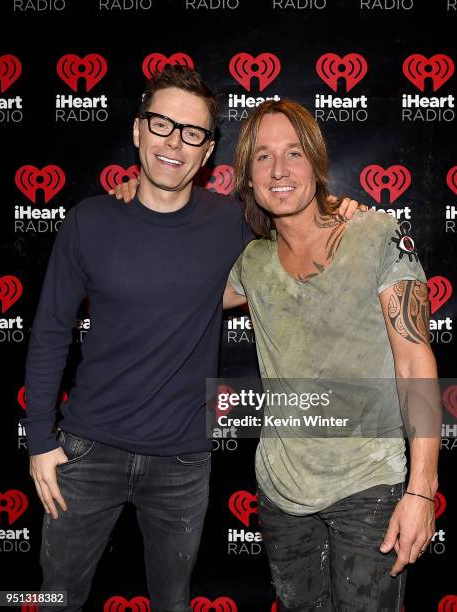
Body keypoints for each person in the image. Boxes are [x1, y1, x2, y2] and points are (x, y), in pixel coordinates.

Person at [23, 66, 362, 612]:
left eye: (193, 133)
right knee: (55, 598)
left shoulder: (232, 224)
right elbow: (49, 334)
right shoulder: (89, 221)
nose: (174, 143)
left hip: (182, 463)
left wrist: (339, 213)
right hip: (87, 453)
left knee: (174, 603)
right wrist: (41, 442)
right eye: (161, 124)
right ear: (137, 131)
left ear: (207, 154)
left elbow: (301, 236)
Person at [223, 99, 440, 611]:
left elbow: (415, 362)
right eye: (262, 157)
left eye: (293, 152)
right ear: (247, 177)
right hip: (280, 495)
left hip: (369, 488)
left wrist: (423, 491)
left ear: (316, 163)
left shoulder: (376, 234)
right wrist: (137, 199)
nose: (279, 170)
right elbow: (171, 290)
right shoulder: (250, 262)